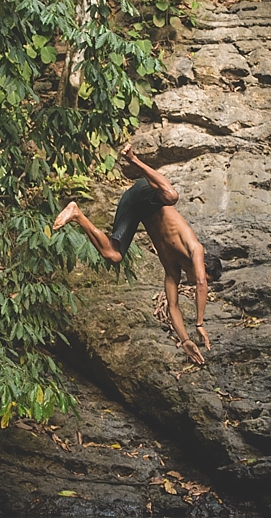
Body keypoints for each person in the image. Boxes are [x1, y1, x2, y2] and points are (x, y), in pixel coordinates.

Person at [52, 143, 210, 365]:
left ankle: (76, 213)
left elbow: (173, 306)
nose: (196, 285)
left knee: (113, 255)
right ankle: (132, 159)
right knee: (172, 196)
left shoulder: (172, 270)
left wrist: (185, 340)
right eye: (204, 278)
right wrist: (200, 324)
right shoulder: (195, 248)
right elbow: (202, 281)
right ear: (203, 265)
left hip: (133, 207)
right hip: (148, 192)